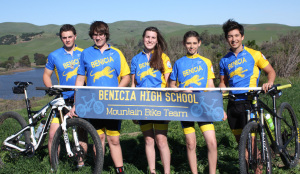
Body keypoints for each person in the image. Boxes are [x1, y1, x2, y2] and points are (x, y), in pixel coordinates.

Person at [69, 21, 130, 174]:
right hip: (93, 103)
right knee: (99, 139)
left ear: (106, 35)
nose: (98, 37)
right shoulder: (85, 53)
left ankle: (119, 170)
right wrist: (76, 103)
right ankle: (98, 170)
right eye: (95, 34)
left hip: (112, 103)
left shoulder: (116, 53)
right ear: (92, 36)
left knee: (114, 140)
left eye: (101, 34)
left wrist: (116, 92)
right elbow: (80, 80)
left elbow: (126, 77)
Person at [170, 31, 226, 174]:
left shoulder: (206, 62)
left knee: (212, 143)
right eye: (189, 43)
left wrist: (219, 108)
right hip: (186, 107)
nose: (191, 46)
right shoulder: (178, 63)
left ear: (199, 43)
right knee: (190, 144)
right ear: (184, 44)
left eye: (194, 43)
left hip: (204, 106)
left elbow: (211, 87)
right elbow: (171, 86)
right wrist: (182, 90)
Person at [219, 19, 276, 143]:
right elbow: (223, 82)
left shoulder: (254, 54)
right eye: (230, 36)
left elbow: (270, 72)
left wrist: (269, 82)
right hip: (233, 103)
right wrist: (222, 87)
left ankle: (259, 162)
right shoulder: (224, 60)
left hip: (249, 101)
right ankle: (247, 162)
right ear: (226, 38)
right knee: (240, 142)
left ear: (242, 36)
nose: (233, 39)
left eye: (236, 35)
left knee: (251, 141)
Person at [130, 26, 172, 174]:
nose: (150, 40)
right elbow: (133, 85)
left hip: (160, 104)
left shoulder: (163, 57)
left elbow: (169, 84)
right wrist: (134, 109)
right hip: (142, 104)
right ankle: (152, 171)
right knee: (148, 140)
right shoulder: (136, 59)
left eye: (153, 37)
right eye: (147, 37)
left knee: (161, 140)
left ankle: (167, 172)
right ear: (143, 38)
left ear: (157, 40)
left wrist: (168, 108)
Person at [43, 24, 83, 163]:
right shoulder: (54, 55)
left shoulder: (83, 53)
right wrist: (51, 88)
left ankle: (81, 162)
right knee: (53, 134)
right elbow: (46, 75)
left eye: (70, 37)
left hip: (81, 97)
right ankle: (54, 166)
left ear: (75, 36)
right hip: (63, 99)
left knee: (82, 132)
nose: (67, 40)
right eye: (64, 38)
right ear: (61, 38)